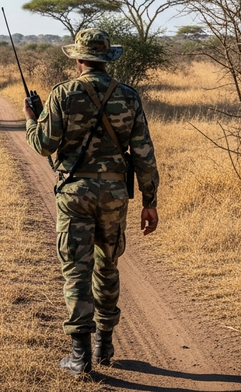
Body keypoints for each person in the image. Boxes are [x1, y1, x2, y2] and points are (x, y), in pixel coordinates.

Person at [23, 28, 159, 376]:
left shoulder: (63, 94)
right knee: (108, 266)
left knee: (76, 270)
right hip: (114, 195)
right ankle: (105, 344)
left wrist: (31, 119)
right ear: (108, 58)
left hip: (74, 194)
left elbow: (43, 145)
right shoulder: (128, 96)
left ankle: (80, 355)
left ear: (79, 59)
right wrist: (149, 200)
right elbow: (143, 153)